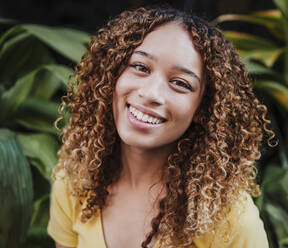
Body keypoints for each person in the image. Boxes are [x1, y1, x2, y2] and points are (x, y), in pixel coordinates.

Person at [47, 6, 275, 248]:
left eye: (180, 83)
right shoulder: (75, 182)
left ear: (203, 109)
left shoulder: (230, 221)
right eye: (141, 67)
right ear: (112, 75)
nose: (151, 93)